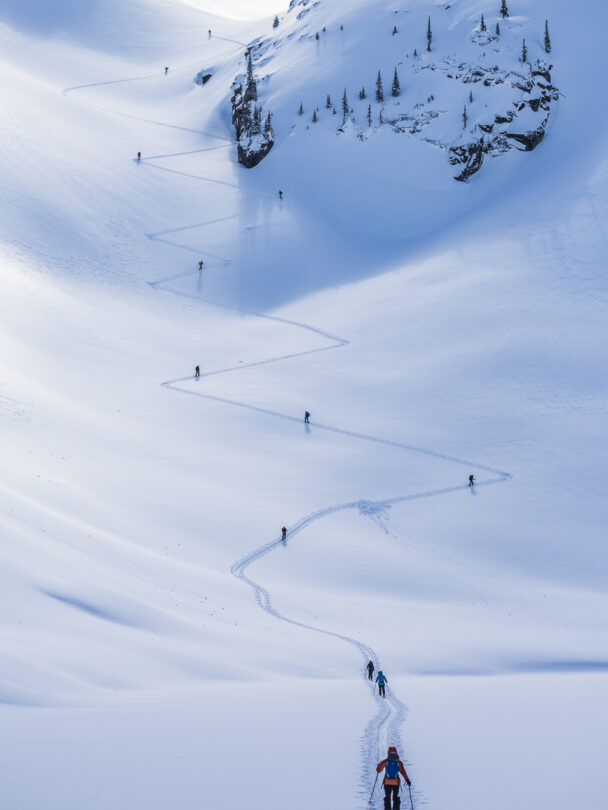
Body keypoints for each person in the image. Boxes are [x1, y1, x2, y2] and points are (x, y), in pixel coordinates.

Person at [376, 746, 411, 810]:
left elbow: (378, 770)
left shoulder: (385, 761)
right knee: (395, 797)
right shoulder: (399, 762)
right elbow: (403, 772)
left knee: (387, 797)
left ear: (388, 752)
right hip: (396, 783)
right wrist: (407, 780)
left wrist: (379, 765)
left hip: (387, 782)